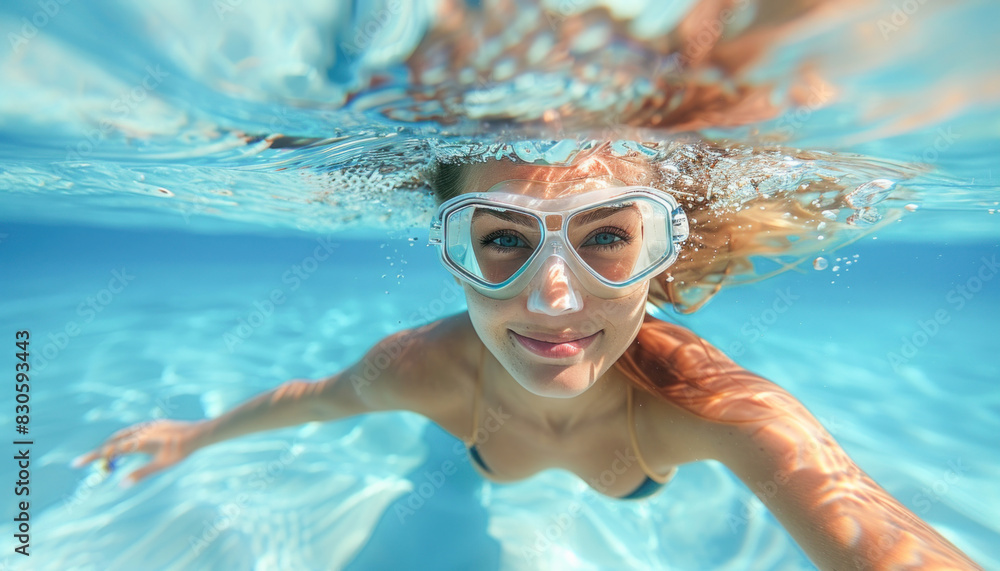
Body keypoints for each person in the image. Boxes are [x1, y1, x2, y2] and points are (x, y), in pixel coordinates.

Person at [74, 144, 981, 570]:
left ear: (659, 249)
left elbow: (875, 536)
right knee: (456, 474)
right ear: (451, 253)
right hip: (477, 440)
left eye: (607, 238)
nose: (554, 298)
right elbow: (314, 401)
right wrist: (194, 436)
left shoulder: (707, 406)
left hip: (623, 462)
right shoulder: (419, 367)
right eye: (502, 239)